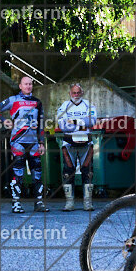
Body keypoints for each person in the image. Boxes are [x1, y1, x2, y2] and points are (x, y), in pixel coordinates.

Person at [0, 76, 48, 213]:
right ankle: (16, 203)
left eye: (30, 84)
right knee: (18, 172)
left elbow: (41, 124)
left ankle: (38, 203)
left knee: (37, 173)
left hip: (33, 143)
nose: (28, 86)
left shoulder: (37, 102)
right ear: (20, 86)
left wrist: (41, 142)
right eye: (25, 84)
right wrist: (4, 120)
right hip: (18, 142)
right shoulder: (13, 100)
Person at [55, 83, 97, 211]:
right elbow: (62, 125)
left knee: (88, 173)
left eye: (78, 93)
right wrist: (82, 123)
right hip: (68, 144)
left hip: (86, 143)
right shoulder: (64, 106)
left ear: (82, 93)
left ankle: (88, 203)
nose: (76, 95)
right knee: (68, 173)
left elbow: (93, 121)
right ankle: (69, 203)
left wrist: (72, 121)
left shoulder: (89, 105)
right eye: (74, 93)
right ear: (70, 93)